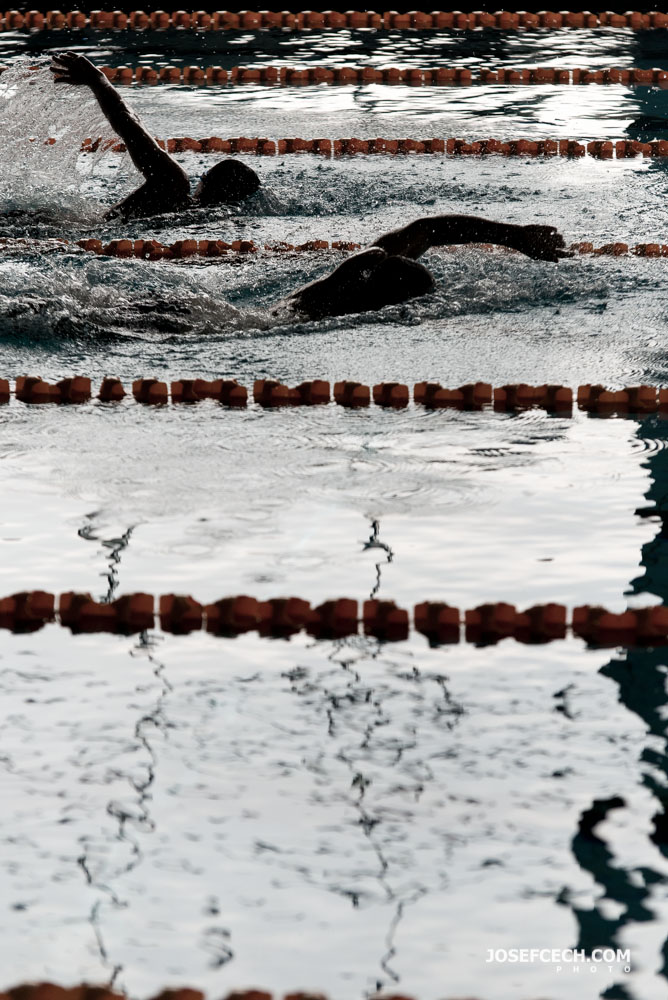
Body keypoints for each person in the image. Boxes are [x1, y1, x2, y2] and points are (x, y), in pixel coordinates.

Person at [50, 51, 261, 220]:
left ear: (206, 184)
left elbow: (129, 125)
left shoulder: (173, 185)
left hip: (72, 231)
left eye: (204, 176)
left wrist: (98, 80)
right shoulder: (205, 220)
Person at [276, 214, 571, 320]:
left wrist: (514, 236)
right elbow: (429, 230)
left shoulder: (345, 285)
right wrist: (514, 236)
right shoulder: (339, 291)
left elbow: (427, 229)